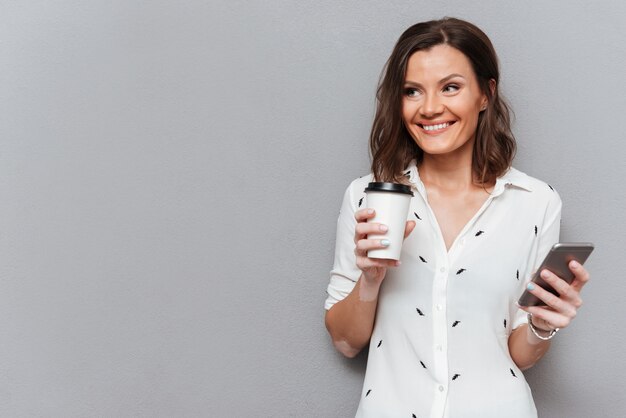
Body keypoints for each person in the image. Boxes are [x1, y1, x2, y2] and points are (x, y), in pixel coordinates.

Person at [324, 17, 590, 418]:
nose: (430, 108)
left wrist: (542, 324)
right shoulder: (368, 197)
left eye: (451, 87)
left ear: (486, 93)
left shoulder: (536, 201)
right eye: (412, 91)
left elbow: (520, 355)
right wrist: (371, 279)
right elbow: (346, 343)